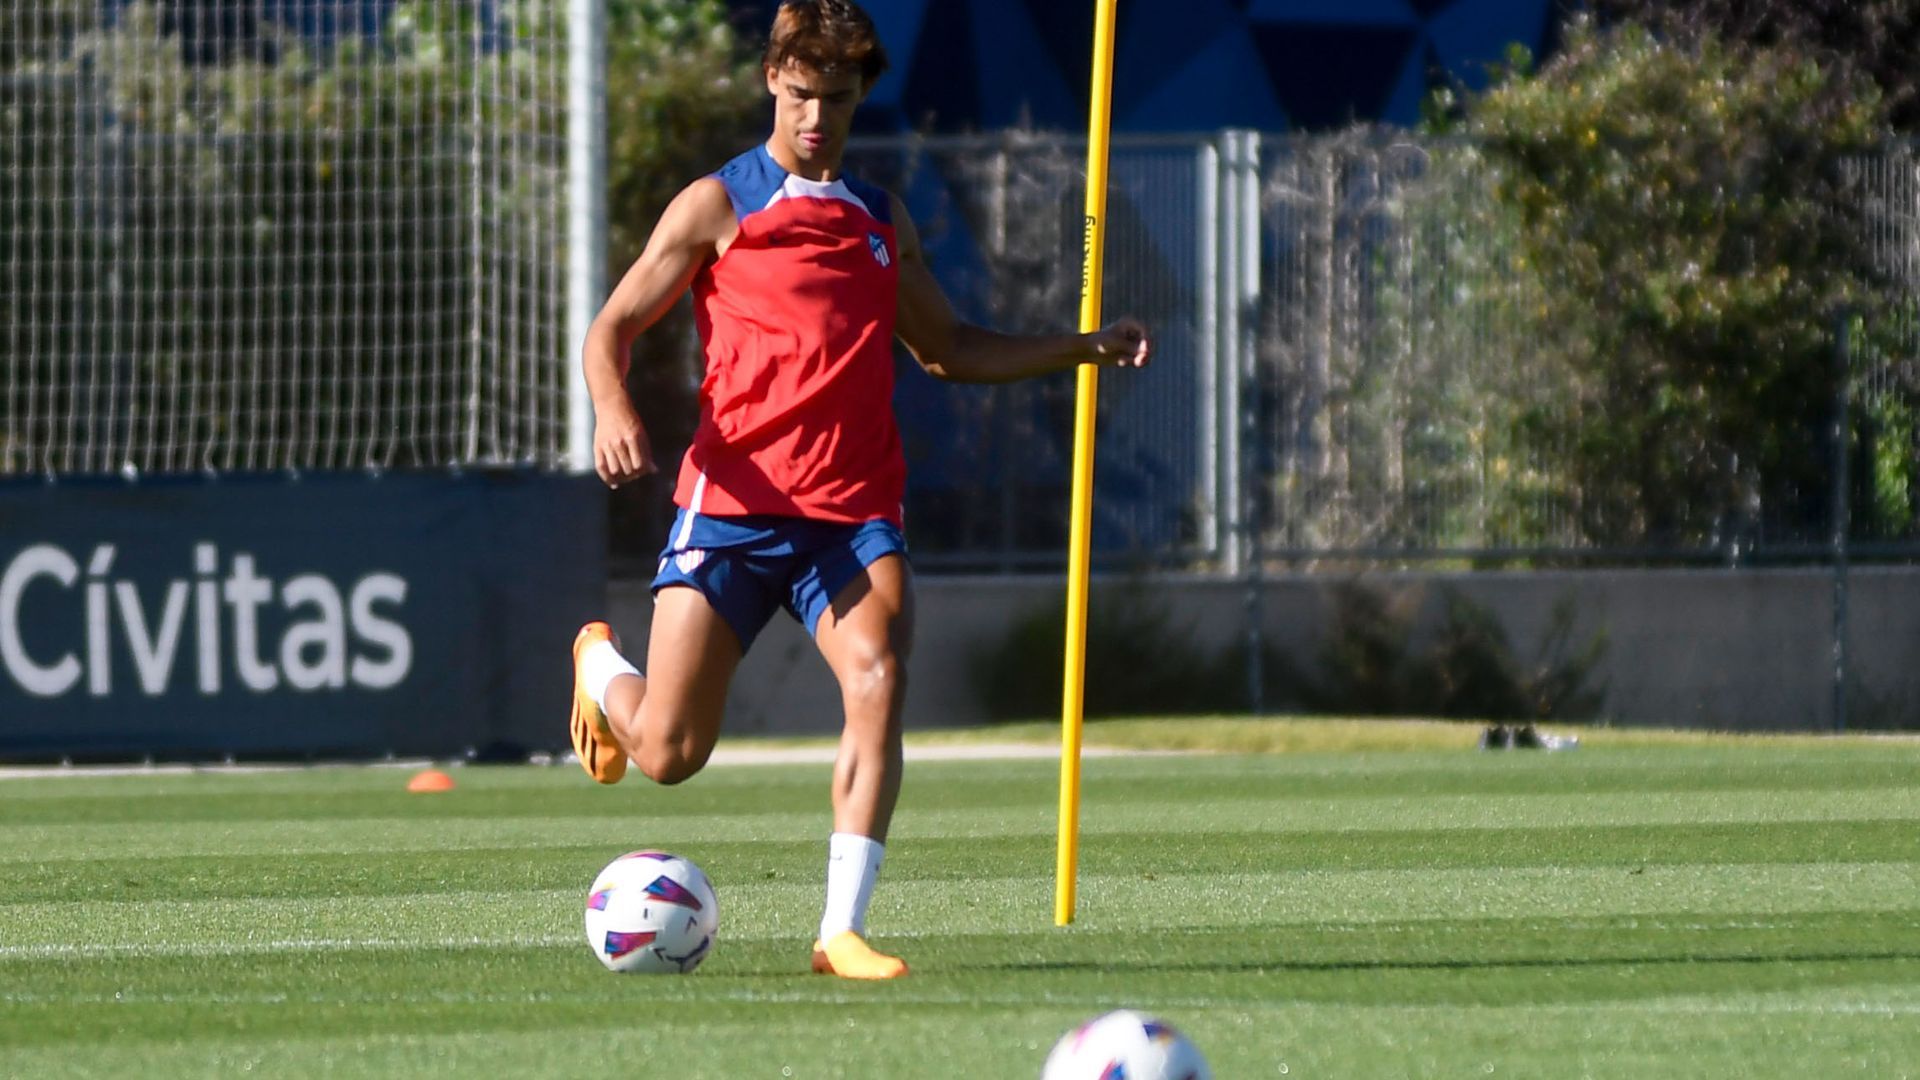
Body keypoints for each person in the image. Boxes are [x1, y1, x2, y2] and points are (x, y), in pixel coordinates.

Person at [567, 0, 1152, 980]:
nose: (816, 119)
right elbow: (611, 327)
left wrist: (1080, 348)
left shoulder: (882, 222)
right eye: (800, 96)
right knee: (667, 752)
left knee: (878, 675)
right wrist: (613, 407)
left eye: (836, 100)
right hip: (731, 511)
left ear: (857, 99)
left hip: (851, 516)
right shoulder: (719, 205)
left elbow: (950, 349)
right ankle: (595, 667)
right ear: (771, 83)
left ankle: (840, 930)